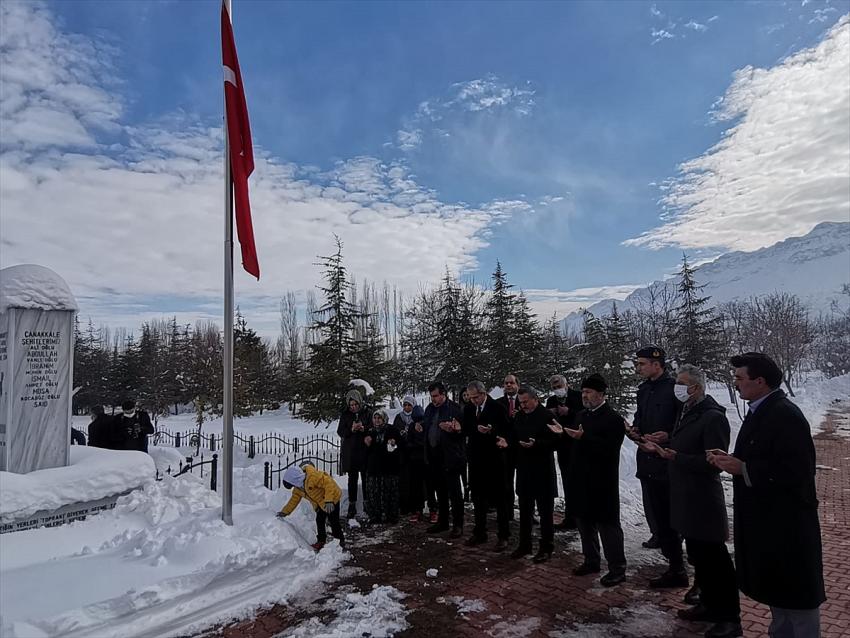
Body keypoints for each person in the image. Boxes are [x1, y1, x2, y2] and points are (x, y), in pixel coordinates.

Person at [709, 353, 825, 638]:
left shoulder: (785, 415)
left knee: (798, 598)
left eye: (739, 378)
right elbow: (766, 455)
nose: (735, 383)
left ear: (760, 381)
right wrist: (734, 460)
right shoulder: (762, 409)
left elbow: (798, 471)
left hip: (788, 526)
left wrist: (744, 468)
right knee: (780, 594)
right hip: (770, 523)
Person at [643, 365, 741, 638]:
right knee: (700, 557)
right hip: (685, 495)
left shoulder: (712, 417)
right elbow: (686, 443)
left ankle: (729, 617)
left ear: (696, 388)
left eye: (682, 383)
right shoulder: (688, 411)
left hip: (703, 500)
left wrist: (676, 457)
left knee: (716, 561)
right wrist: (666, 442)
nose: (677, 388)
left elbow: (713, 463)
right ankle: (708, 604)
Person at [631, 346, 687, 589]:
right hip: (647, 459)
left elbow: (686, 421)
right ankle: (674, 564)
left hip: (669, 462)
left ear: (657, 364)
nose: (638, 368)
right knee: (659, 517)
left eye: (642, 363)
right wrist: (635, 430)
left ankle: (681, 567)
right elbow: (640, 417)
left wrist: (669, 436)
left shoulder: (675, 389)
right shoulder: (643, 390)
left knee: (676, 518)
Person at [568, 374, 627, 587]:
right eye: (583, 392)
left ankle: (617, 568)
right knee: (584, 523)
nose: (584, 395)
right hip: (581, 479)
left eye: (588, 392)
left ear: (601, 394)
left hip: (602, 481)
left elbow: (609, 448)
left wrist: (583, 438)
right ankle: (591, 561)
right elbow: (576, 444)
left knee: (608, 526)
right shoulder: (581, 415)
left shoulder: (613, 419)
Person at [511, 386, 560, 563]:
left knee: (545, 513)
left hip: (542, 470)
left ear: (535, 399)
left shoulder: (547, 416)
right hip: (524, 469)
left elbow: (557, 441)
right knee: (525, 510)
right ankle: (524, 544)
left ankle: (546, 547)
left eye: (526, 402)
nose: (523, 405)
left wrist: (537, 444)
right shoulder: (519, 415)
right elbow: (513, 435)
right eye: (520, 402)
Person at [462, 380, 512, 551]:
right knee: (478, 497)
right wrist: (467, 428)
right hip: (476, 459)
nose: (474, 401)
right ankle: (480, 532)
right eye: (471, 398)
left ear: (484, 394)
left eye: (476, 397)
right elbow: (466, 428)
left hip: (494, 458)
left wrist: (492, 430)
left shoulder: (497, 407)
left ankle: (503, 535)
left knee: (499, 498)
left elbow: (507, 430)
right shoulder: (469, 408)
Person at [422, 381, 465, 537]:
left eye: (436, 396)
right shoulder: (429, 409)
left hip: (450, 456)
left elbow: (464, 432)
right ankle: (443, 521)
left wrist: (455, 430)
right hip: (434, 455)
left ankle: (458, 524)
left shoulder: (455, 409)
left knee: (454, 492)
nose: (433, 399)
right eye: (431, 396)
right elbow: (427, 425)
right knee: (440, 491)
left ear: (443, 394)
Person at [276, 463, 345, 551]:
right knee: (319, 520)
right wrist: (285, 512)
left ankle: (340, 541)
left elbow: (329, 483)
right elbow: (293, 501)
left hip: (332, 498)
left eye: (293, 485)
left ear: (296, 480)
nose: (294, 487)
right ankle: (321, 541)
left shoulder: (313, 477)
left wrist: (329, 500)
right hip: (321, 503)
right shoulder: (298, 488)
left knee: (333, 521)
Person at [545, 374, 583, 530]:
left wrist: (569, 412)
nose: (557, 390)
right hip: (563, 447)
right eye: (554, 388)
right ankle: (570, 518)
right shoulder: (551, 401)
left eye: (559, 386)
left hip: (578, 446)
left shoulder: (578, 397)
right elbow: (547, 421)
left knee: (580, 483)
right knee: (567, 483)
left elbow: (584, 415)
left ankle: (583, 518)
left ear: (566, 385)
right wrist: (551, 414)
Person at [395, 396, 436, 523]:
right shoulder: (411, 425)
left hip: (426, 459)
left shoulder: (427, 426)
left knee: (429, 486)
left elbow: (429, 441)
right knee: (416, 486)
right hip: (414, 460)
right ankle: (417, 510)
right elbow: (408, 441)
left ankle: (433, 509)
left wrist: (418, 443)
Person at [364, 409, 402, 525]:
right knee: (374, 493)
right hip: (374, 468)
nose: (377, 420)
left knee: (390, 492)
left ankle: (391, 515)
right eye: (375, 418)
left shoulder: (391, 430)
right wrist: (367, 444)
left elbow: (399, 446)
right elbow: (366, 451)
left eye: (379, 418)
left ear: (384, 419)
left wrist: (393, 444)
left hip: (389, 467)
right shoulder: (370, 432)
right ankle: (376, 515)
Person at [337, 388, 371, 519]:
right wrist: (351, 429)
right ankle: (352, 504)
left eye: (356, 404)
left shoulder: (367, 412)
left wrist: (364, 428)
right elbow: (340, 431)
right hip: (351, 452)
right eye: (351, 405)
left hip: (364, 450)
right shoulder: (345, 415)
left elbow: (373, 427)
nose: (354, 407)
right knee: (352, 479)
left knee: (365, 478)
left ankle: (367, 503)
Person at [496, 374, 521, 520]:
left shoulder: (524, 401)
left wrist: (520, 416)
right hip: (505, 447)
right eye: (506, 383)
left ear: (517, 384)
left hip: (522, 446)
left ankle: (528, 513)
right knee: (506, 482)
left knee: (524, 483)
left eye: (511, 383)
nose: (509, 385)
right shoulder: (499, 403)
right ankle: (508, 512)